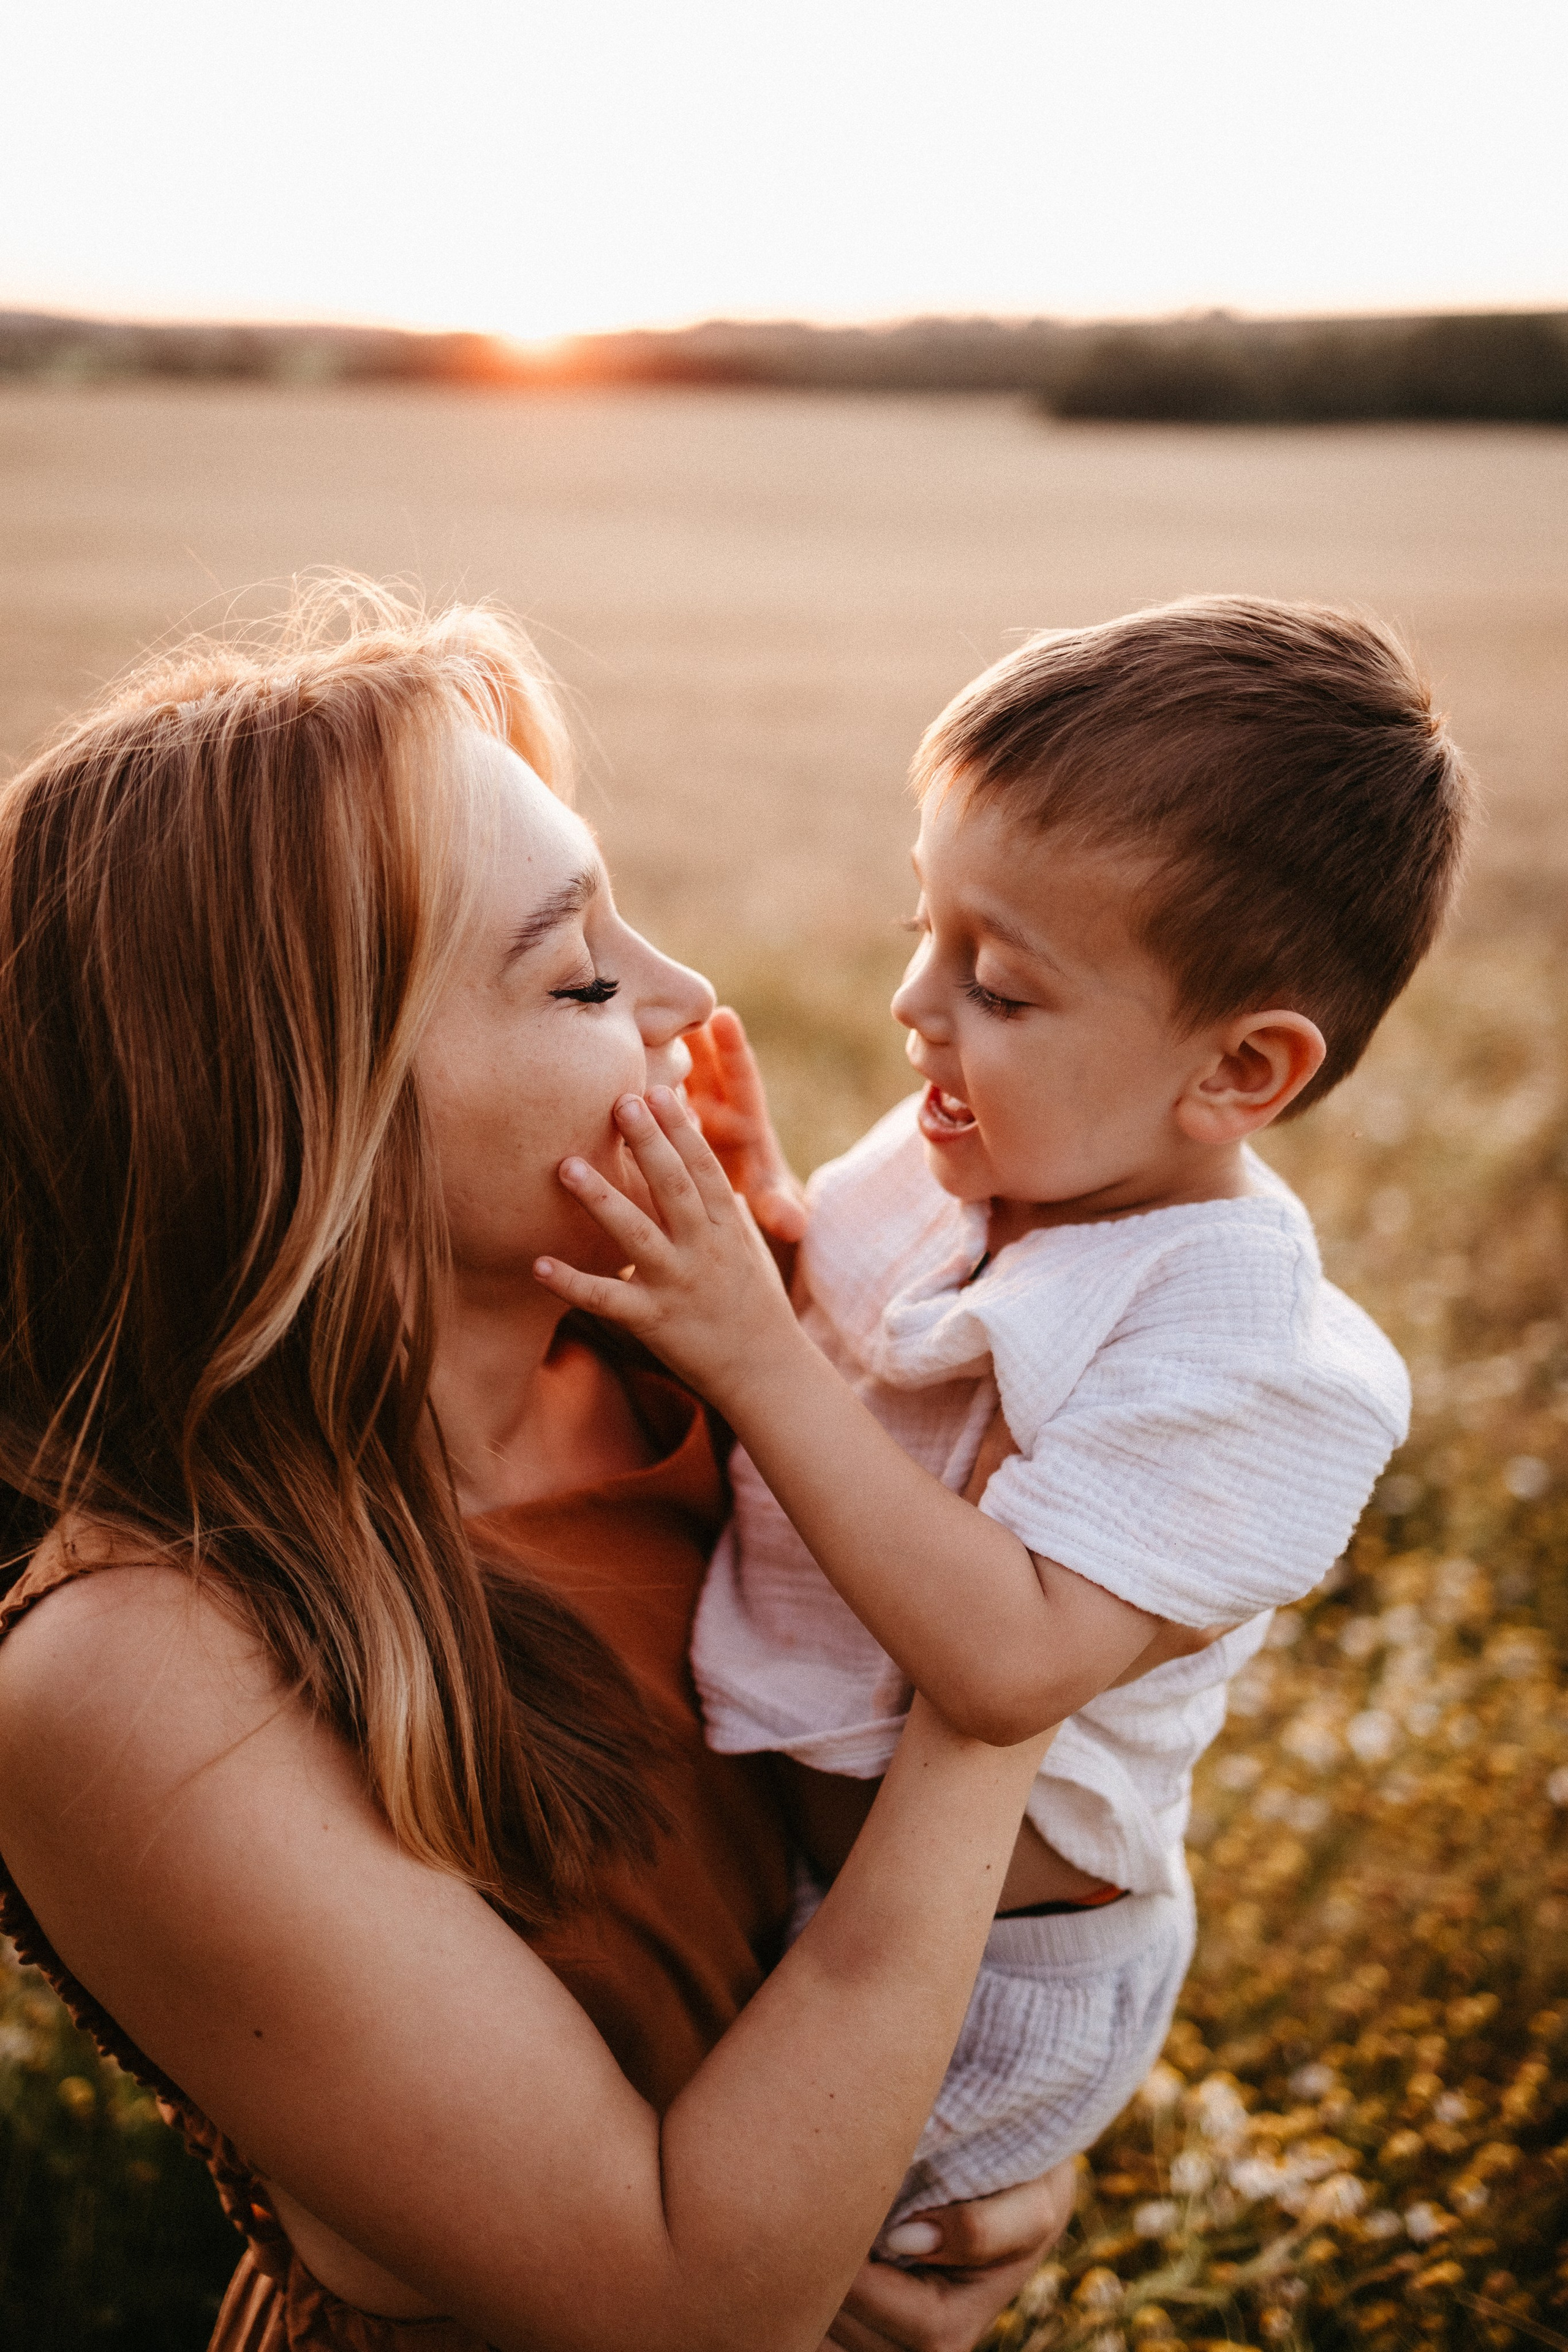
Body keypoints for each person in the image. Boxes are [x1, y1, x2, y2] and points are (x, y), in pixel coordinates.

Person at [0, 584, 1082, 2352]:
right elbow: (679, 2306)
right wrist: (1002, 1652)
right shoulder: (139, 1665)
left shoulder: (704, 1389)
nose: (687, 995)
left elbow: (893, 1938)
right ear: (304, 1123)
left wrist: (981, 2165)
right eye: (580, 973)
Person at [531, 597, 1472, 2234]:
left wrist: (751, 1350)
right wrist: (772, 1228)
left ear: (1240, 1073)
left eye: (1003, 986)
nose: (915, 1006)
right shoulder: (978, 1155)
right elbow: (873, 1363)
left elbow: (1013, 1661)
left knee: (745, 2283)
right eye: (926, 926)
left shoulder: (1241, 1338)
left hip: (996, 1984)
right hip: (824, 1900)